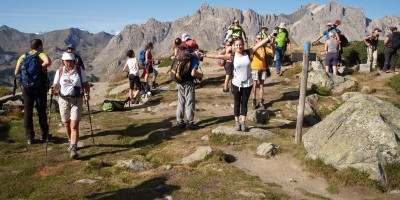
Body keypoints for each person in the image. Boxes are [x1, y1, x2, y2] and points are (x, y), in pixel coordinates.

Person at [204, 36, 271, 132]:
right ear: (234, 46)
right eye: (237, 45)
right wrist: (204, 55)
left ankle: (243, 122)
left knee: (244, 103)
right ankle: (237, 122)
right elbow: (217, 56)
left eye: (240, 45)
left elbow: (259, 44)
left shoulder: (248, 52)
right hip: (236, 84)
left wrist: (269, 37)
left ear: (243, 45)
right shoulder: (232, 56)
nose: (239, 47)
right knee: (236, 103)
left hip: (248, 83)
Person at [48, 52, 90, 159]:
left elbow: (86, 85)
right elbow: (56, 84)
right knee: (66, 124)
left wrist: (87, 94)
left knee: (74, 125)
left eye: (71, 61)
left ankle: (73, 147)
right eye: (67, 61)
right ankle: (70, 141)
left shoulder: (80, 71)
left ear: (74, 61)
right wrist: (52, 89)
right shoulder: (60, 72)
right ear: (63, 62)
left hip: (77, 100)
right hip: (63, 100)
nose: (69, 63)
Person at [15, 39, 52, 144]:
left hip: (26, 88)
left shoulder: (23, 56)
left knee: (28, 111)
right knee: (41, 110)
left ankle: (29, 137)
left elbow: (16, 72)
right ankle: (45, 135)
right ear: (40, 46)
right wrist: (40, 67)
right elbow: (48, 62)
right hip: (39, 87)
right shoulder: (40, 54)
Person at [175, 48, 204, 130]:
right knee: (190, 102)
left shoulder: (187, 56)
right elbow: (193, 73)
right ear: (199, 54)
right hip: (188, 83)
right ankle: (190, 123)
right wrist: (200, 75)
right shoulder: (194, 59)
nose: (200, 59)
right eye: (201, 57)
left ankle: (179, 121)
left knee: (181, 102)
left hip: (179, 81)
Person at [251, 33, 273, 109]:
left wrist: (272, 45)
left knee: (261, 85)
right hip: (255, 68)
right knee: (254, 85)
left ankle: (261, 101)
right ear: (256, 40)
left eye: (261, 38)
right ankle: (254, 100)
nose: (260, 40)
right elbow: (252, 52)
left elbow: (272, 52)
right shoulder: (253, 47)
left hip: (263, 68)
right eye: (259, 38)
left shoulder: (265, 48)